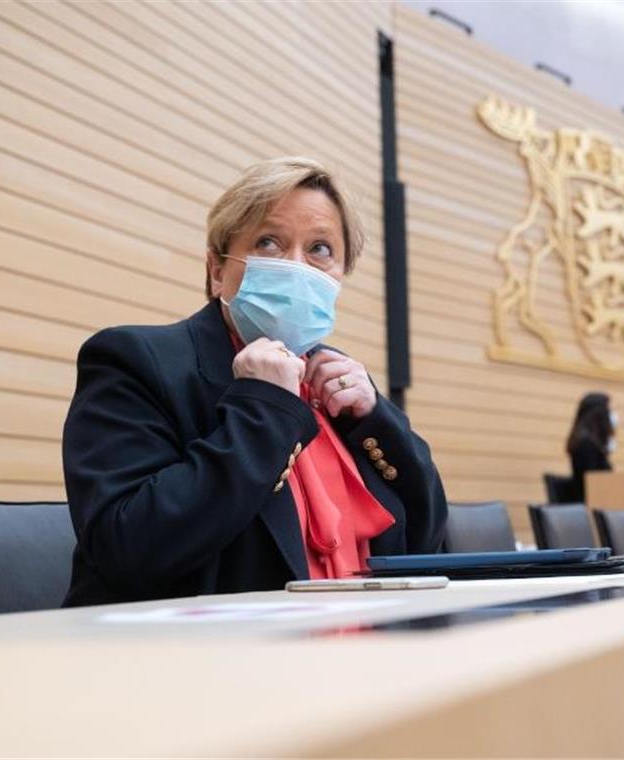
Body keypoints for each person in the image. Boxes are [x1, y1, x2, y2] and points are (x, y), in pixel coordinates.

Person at [62, 157, 448, 606]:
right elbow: (127, 547)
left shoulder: (338, 383)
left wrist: (379, 421)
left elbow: (429, 542)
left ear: (341, 273)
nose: (297, 267)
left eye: (321, 249)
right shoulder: (135, 361)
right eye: (268, 242)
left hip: (361, 659)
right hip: (208, 664)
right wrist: (263, 408)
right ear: (217, 270)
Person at [566, 392, 617, 503]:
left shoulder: (589, 441)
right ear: (599, 414)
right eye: (608, 410)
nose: (610, 414)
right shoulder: (586, 444)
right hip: (591, 505)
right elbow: (596, 482)